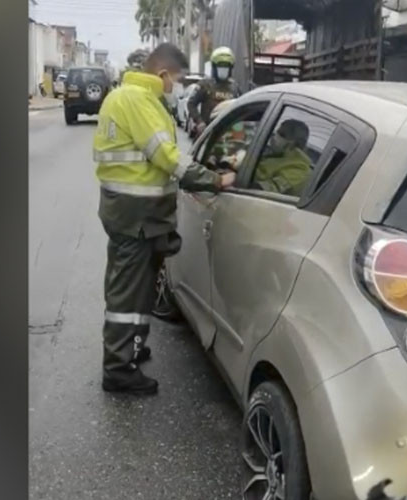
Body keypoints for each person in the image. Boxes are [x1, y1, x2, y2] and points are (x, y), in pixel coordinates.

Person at [93, 43, 236, 395]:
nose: (177, 86)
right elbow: (167, 158)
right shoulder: (139, 101)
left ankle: (132, 350)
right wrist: (214, 179)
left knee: (137, 287)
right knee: (127, 295)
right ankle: (118, 369)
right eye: (177, 78)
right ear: (161, 75)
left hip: (131, 212)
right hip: (136, 214)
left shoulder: (124, 96)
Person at [251, 119, 313, 197]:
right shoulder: (278, 156)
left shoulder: (299, 170)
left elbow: (266, 190)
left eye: (281, 134)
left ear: (292, 143)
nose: (275, 136)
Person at [188, 46, 240, 135]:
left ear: (231, 68)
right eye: (220, 66)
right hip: (207, 133)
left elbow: (240, 109)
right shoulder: (205, 85)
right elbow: (191, 104)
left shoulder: (235, 88)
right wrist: (199, 121)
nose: (223, 69)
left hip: (227, 134)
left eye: (226, 66)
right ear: (214, 67)